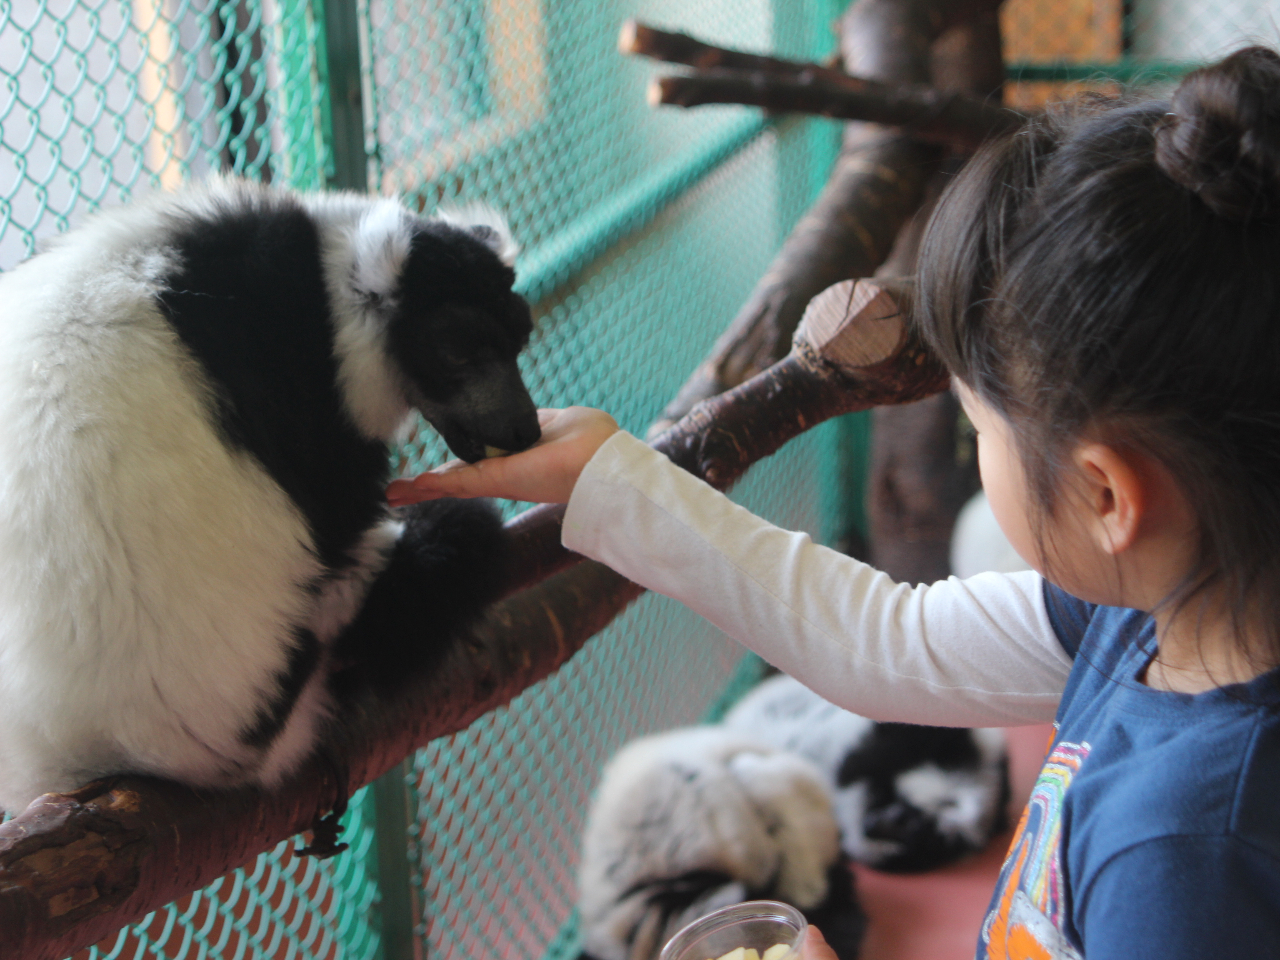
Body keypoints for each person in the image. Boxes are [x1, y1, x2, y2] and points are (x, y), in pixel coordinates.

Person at [387, 46, 1280, 960]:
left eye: (977, 428)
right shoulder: (1155, 615)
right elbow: (892, 643)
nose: (973, 450)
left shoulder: (1187, 864)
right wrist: (612, 481)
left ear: (1105, 494)